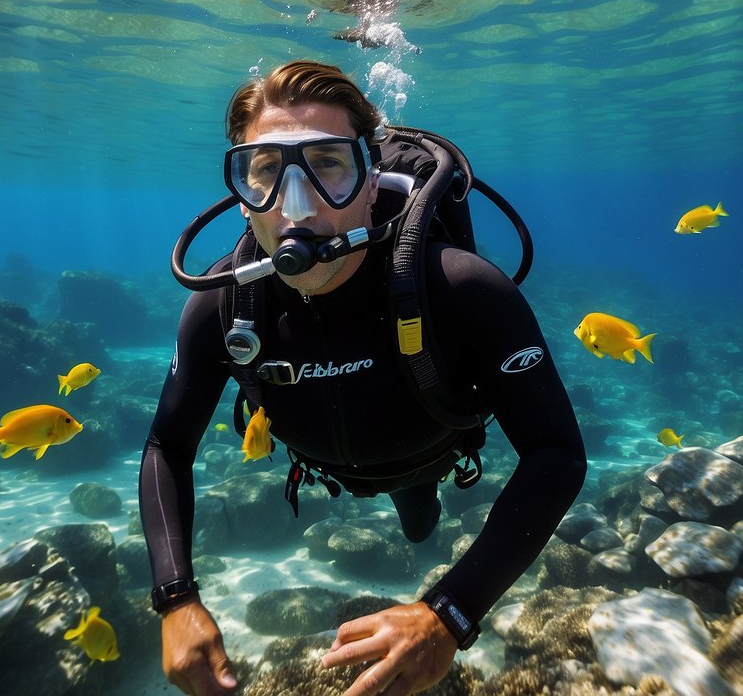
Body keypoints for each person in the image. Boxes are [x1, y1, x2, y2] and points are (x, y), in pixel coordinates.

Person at [140, 60, 587, 696]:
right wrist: (175, 598)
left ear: (371, 180)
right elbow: (167, 446)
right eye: (265, 171)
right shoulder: (220, 307)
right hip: (324, 467)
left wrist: (449, 612)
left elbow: (558, 454)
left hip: (431, 456)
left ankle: (419, 509)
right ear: (242, 197)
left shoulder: (461, 289)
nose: (296, 207)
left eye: (328, 164)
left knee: (419, 521)